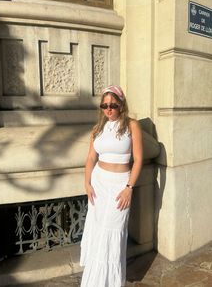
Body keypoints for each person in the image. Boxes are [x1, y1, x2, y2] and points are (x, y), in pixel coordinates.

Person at [80, 85, 143, 287]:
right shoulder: (97, 129)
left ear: (121, 105)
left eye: (113, 105)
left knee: (113, 233)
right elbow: (91, 157)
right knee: (98, 232)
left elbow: (139, 159)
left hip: (120, 186)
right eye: (104, 105)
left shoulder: (132, 126)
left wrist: (129, 188)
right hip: (98, 184)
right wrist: (87, 183)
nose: (108, 109)